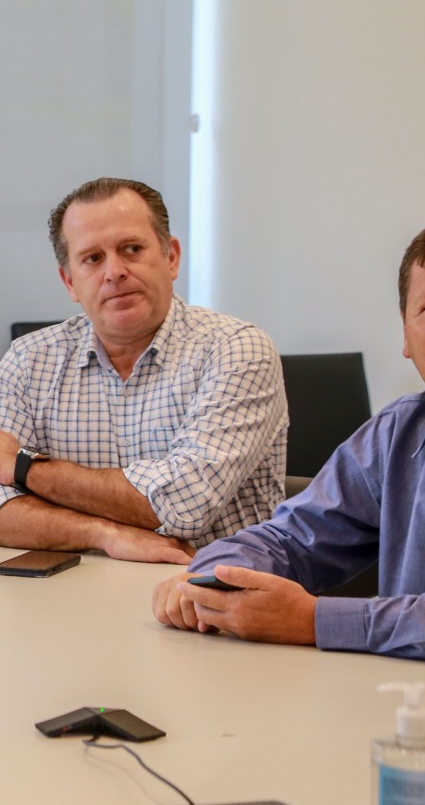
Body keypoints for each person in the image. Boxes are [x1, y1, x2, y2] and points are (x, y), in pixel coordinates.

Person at [0, 177, 288, 564]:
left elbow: (182, 504)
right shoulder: (31, 359)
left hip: (214, 595)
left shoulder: (236, 349)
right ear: (69, 281)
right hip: (72, 592)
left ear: (171, 257)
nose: (114, 272)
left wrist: (23, 466)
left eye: (132, 249)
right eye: (92, 259)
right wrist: (105, 534)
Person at [152, 229, 425, 657]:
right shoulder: (398, 432)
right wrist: (214, 581)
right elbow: (291, 540)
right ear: (406, 337)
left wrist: (310, 620)